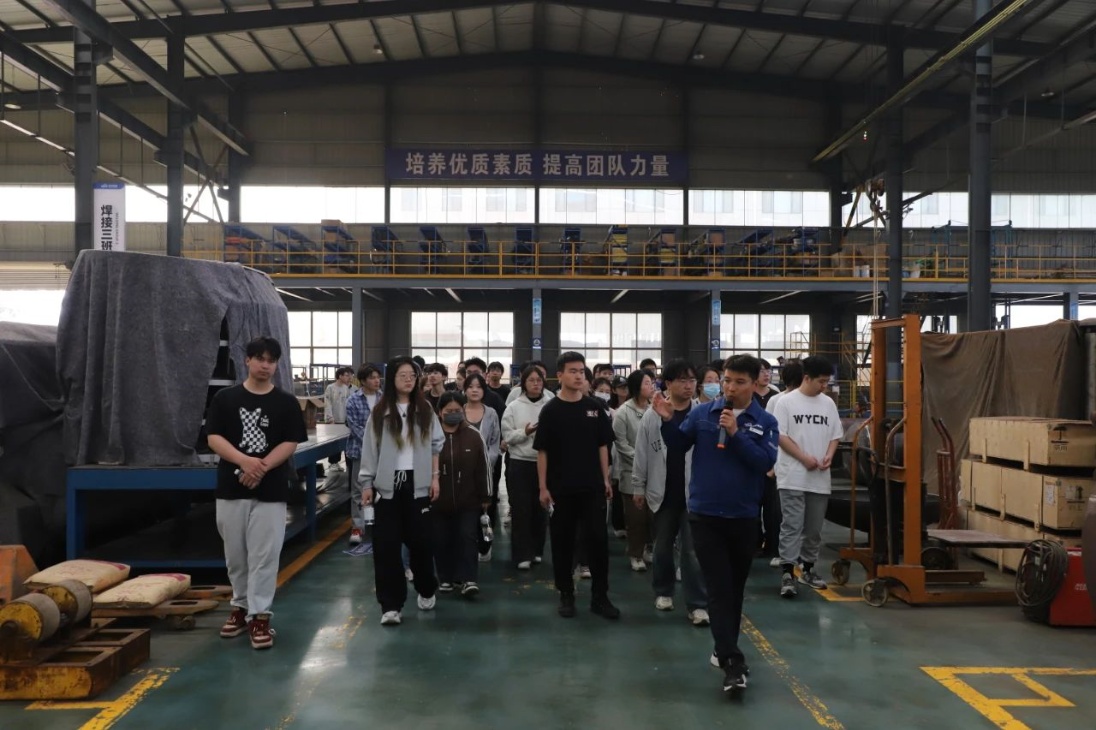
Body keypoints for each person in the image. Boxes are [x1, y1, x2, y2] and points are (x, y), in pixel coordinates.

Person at [654, 354, 778, 693]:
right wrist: (667, 421)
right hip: (705, 515)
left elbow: (763, 462)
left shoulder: (765, 421)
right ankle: (732, 662)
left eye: (739, 382)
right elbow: (678, 445)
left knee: (734, 589)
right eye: (727, 380)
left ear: (754, 383)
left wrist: (736, 433)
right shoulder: (702, 414)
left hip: (743, 516)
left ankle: (723, 645)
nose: (730, 388)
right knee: (719, 587)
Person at [206, 336, 307, 650]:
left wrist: (260, 467)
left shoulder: (286, 402)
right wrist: (244, 461)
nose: (265, 365)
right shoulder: (225, 399)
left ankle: (260, 616)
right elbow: (213, 437)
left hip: (271, 490)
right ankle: (240, 607)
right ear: (247, 360)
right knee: (236, 555)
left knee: (265, 555)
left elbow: (290, 441)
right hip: (231, 489)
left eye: (271, 360)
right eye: (260, 359)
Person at [359, 356, 445, 626]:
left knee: (422, 544)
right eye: (402, 375)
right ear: (392, 380)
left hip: (418, 485)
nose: (408, 379)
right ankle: (391, 605)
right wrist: (366, 483)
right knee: (386, 548)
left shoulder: (425, 409)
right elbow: (369, 449)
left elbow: (436, 446)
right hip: (387, 487)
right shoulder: (380, 412)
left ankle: (426, 588)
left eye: (412, 375)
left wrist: (435, 479)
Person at [534, 352, 620, 620]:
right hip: (561, 489)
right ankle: (566, 594)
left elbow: (602, 445)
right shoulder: (550, 411)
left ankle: (600, 597)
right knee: (562, 543)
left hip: (592, 487)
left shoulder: (594, 407)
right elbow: (542, 451)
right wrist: (543, 487)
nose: (579, 376)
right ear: (559, 375)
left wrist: (605, 478)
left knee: (598, 542)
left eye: (582, 371)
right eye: (572, 371)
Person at [634, 359, 709, 626]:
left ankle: (697, 604)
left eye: (692, 380)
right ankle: (664, 591)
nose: (689, 386)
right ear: (668, 383)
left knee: (692, 552)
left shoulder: (702, 414)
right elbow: (641, 452)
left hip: (694, 494)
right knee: (662, 548)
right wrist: (638, 486)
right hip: (662, 493)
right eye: (682, 380)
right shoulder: (652, 415)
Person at [772, 355, 843, 598]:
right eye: (821, 381)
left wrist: (829, 456)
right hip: (792, 475)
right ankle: (787, 572)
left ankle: (809, 568)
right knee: (792, 525)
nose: (824, 386)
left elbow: (835, 435)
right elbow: (780, 436)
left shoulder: (828, 404)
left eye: (827, 382)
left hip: (819, 477)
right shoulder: (786, 402)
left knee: (814, 528)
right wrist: (803, 458)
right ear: (806, 378)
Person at [434, 392, 492, 597]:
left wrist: (486, 496)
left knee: (467, 537)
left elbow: (484, 467)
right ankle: (445, 578)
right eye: (448, 411)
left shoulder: (474, 436)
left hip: (469, 500)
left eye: (457, 410)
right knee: (441, 539)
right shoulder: (431, 436)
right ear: (440, 412)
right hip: (438, 501)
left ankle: (469, 579)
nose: (453, 414)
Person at [500, 365, 551, 569]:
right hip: (520, 462)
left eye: (539, 380)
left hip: (545, 462)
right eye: (531, 380)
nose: (536, 384)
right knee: (521, 509)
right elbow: (507, 436)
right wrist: (526, 432)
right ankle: (522, 554)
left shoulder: (550, 404)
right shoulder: (514, 406)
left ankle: (537, 550)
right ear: (524, 383)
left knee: (541, 508)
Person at [762, 358, 804, 565]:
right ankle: (786, 552)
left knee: (784, 511)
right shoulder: (779, 400)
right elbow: (772, 432)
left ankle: (782, 551)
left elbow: (769, 434)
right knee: (786, 511)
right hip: (788, 463)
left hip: (787, 462)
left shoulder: (776, 399)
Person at [614, 368, 653, 572]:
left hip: (654, 472)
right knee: (636, 517)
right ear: (637, 387)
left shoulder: (654, 408)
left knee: (652, 516)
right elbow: (621, 444)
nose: (651, 387)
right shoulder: (623, 413)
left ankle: (648, 548)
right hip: (631, 472)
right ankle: (635, 554)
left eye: (652, 383)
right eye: (647, 383)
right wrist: (641, 459)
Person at [345, 364, 378, 546]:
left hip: (382, 452)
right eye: (372, 378)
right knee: (359, 490)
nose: (376, 381)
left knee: (381, 490)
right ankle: (358, 527)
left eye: (378, 377)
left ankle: (378, 526)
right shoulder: (353, 400)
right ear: (363, 381)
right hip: (360, 451)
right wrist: (371, 443)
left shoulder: (384, 399)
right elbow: (354, 426)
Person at [323, 366, 353, 472]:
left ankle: (346, 463)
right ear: (340, 376)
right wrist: (330, 417)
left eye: (350, 375)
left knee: (345, 442)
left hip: (344, 420)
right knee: (334, 442)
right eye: (346, 375)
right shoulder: (330, 388)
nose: (349, 377)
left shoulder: (346, 388)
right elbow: (327, 403)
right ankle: (333, 463)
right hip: (334, 420)